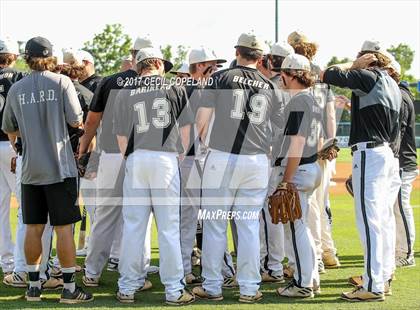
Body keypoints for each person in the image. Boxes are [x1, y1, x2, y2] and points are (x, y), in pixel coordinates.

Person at [1, 36, 93, 303]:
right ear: (51, 57)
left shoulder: (17, 88)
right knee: (63, 228)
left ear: (27, 58)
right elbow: (76, 121)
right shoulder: (62, 82)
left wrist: (22, 142)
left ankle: (33, 286)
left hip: (30, 168)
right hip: (60, 167)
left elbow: (9, 128)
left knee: (33, 227)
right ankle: (68, 289)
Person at [193, 33, 283, 303]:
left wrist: (196, 148)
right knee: (248, 226)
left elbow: (202, 120)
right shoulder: (269, 85)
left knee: (215, 224)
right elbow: (278, 127)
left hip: (222, 157)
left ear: (237, 51)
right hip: (256, 160)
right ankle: (248, 287)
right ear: (261, 57)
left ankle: (212, 286)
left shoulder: (220, 78)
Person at [114, 47, 195, 305]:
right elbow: (186, 128)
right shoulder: (174, 87)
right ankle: (173, 290)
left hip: (137, 158)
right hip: (165, 158)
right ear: (158, 64)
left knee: (134, 226)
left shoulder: (125, 90)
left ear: (139, 66)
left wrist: (129, 158)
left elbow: (120, 136)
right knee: (169, 228)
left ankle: (127, 286)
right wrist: (179, 156)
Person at [322, 40, 401, 302]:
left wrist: (353, 65)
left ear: (367, 58)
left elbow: (329, 73)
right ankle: (383, 278)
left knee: (369, 221)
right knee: (384, 221)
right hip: (387, 155)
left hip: (370, 153)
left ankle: (373, 284)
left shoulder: (368, 76)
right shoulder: (393, 85)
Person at [78, 36, 155, 287]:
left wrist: (82, 149)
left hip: (111, 154)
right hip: (144, 154)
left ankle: (91, 272)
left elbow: (91, 121)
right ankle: (137, 273)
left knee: (105, 216)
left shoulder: (110, 81)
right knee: (140, 216)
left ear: (132, 54)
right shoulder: (159, 83)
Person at [180, 46, 234, 287]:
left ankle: (187, 269)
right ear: (200, 66)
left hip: (199, 158)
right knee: (202, 217)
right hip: (197, 158)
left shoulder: (184, 89)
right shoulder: (192, 90)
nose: (217, 69)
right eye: (213, 65)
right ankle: (211, 269)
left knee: (194, 218)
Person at [288, 30, 340, 271]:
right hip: (322, 142)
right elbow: (330, 113)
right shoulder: (320, 73)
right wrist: (330, 143)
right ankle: (327, 252)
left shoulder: (294, 71)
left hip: (305, 145)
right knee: (322, 201)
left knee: (309, 208)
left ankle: (315, 257)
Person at [274, 54, 322, 298]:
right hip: (311, 167)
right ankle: (311, 278)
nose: (280, 76)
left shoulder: (297, 101)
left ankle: (303, 283)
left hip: (300, 169)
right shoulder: (312, 100)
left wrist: (286, 180)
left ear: (291, 74)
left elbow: (297, 145)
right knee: (303, 227)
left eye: (282, 72)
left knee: (298, 228)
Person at [257, 41, 294, 284]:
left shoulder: (275, 86)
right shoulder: (301, 86)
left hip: (274, 156)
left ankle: (271, 266)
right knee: (281, 214)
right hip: (291, 156)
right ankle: (282, 264)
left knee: (268, 214)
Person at [0, 37, 24, 281]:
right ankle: (21, 263)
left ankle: (6, 261)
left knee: (1, 207)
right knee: (25, 205)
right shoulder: (18, 77)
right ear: (14, 56)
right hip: (11, 142)